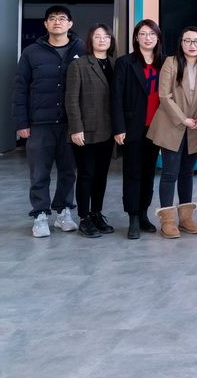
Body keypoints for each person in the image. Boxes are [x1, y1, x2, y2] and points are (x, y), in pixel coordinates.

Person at [13, 5, 84, 237]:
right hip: (39, 124)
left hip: (71, 124)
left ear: (70, 24)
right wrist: (21, 123)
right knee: (39, 173)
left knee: (68, 171)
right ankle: (40, 215)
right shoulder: (31, 52)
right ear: (45, 24)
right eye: (52, 18)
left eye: (62, 18)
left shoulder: (81, 49)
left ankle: (63, 212)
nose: (57, 22)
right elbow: (20, 89)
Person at [147, 27, 197, 238]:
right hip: (171, 125)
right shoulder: (171, 63)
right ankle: (167, 221)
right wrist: (183, 119)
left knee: (187, 173)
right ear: (181, 43)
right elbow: (164, 96)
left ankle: (186, 219)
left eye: (196, 41)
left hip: (196, 127)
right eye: (187, 40)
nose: (192, 45)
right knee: (170, 173)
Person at [112, 19, 165, 239]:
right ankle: (133, 217)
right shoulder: (125, 62)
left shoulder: (165, 62)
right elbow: (116, 97)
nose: (147, 38)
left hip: (157, 127)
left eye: (151, 34)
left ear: (157, 37)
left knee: (149, 173)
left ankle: (143, 214)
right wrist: (119, 128)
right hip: (132, 127)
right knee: (132, 173)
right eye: (143, 34)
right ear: (136, 37)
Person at [65, 24, 116, 238]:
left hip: (108, 130)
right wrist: (76, 128)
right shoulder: (79, 65)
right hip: (85, 131)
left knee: (101, 175)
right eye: (97, 36)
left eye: (106, 36)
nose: (102, 40)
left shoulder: (115, 63)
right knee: (86, 174)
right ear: (90, 40)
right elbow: (71, 100)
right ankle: (84, 218)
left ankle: (96, 213)